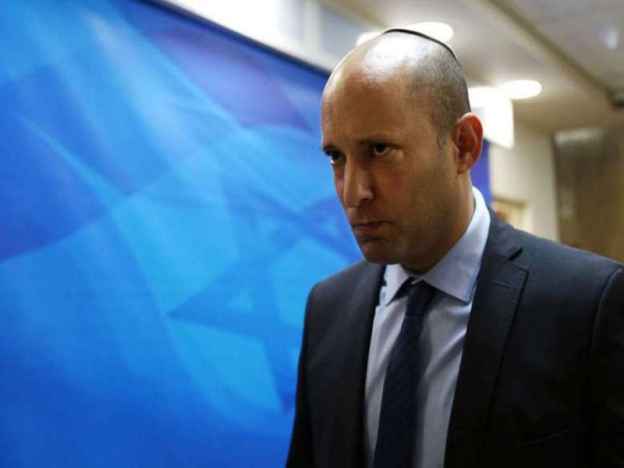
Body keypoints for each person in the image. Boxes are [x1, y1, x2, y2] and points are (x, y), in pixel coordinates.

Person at [287, 28, 624, 468]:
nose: (353, 192)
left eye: (379, 149)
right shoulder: (328, 309)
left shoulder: (585, 306)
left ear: (464, 146)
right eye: (337, 157)